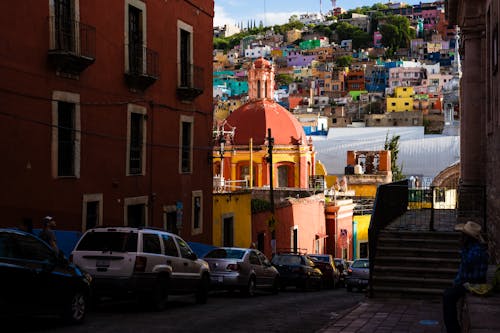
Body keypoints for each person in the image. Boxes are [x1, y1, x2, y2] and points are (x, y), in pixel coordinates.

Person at [443, 221, 489, 333]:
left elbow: (466, 270)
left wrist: (458, 283)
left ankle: (453, 330)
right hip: (468, 279)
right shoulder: (471, 248)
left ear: (468, 237)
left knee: (448, 296)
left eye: (462, 235)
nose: (460, 237)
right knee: (449, 293)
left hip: (474, 281)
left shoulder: (475, 251)